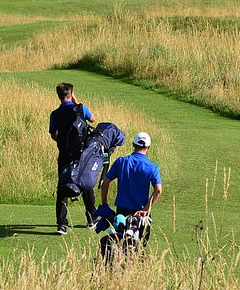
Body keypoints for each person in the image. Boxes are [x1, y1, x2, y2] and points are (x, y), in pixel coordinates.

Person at [50, 82, 96, 236]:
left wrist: (63, 143)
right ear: (71, 94)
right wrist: (77, 102)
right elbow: (93, 119)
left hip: (64, 154)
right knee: (86, 183)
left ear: (58, 95)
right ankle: (91, 219)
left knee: (63, 185)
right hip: (82, 154)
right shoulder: (81, 108)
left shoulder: (55, 114)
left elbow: (53, 134)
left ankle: (62, 225)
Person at [101, 132, 162, 218]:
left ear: (133, 144)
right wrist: (146, 209)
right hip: (141, 213)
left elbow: (105, 183)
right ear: (148, 147)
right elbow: (158, 190)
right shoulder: (152, 167)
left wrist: (104, 203)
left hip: (121, 211)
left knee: (121, 231)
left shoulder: (121, 162)